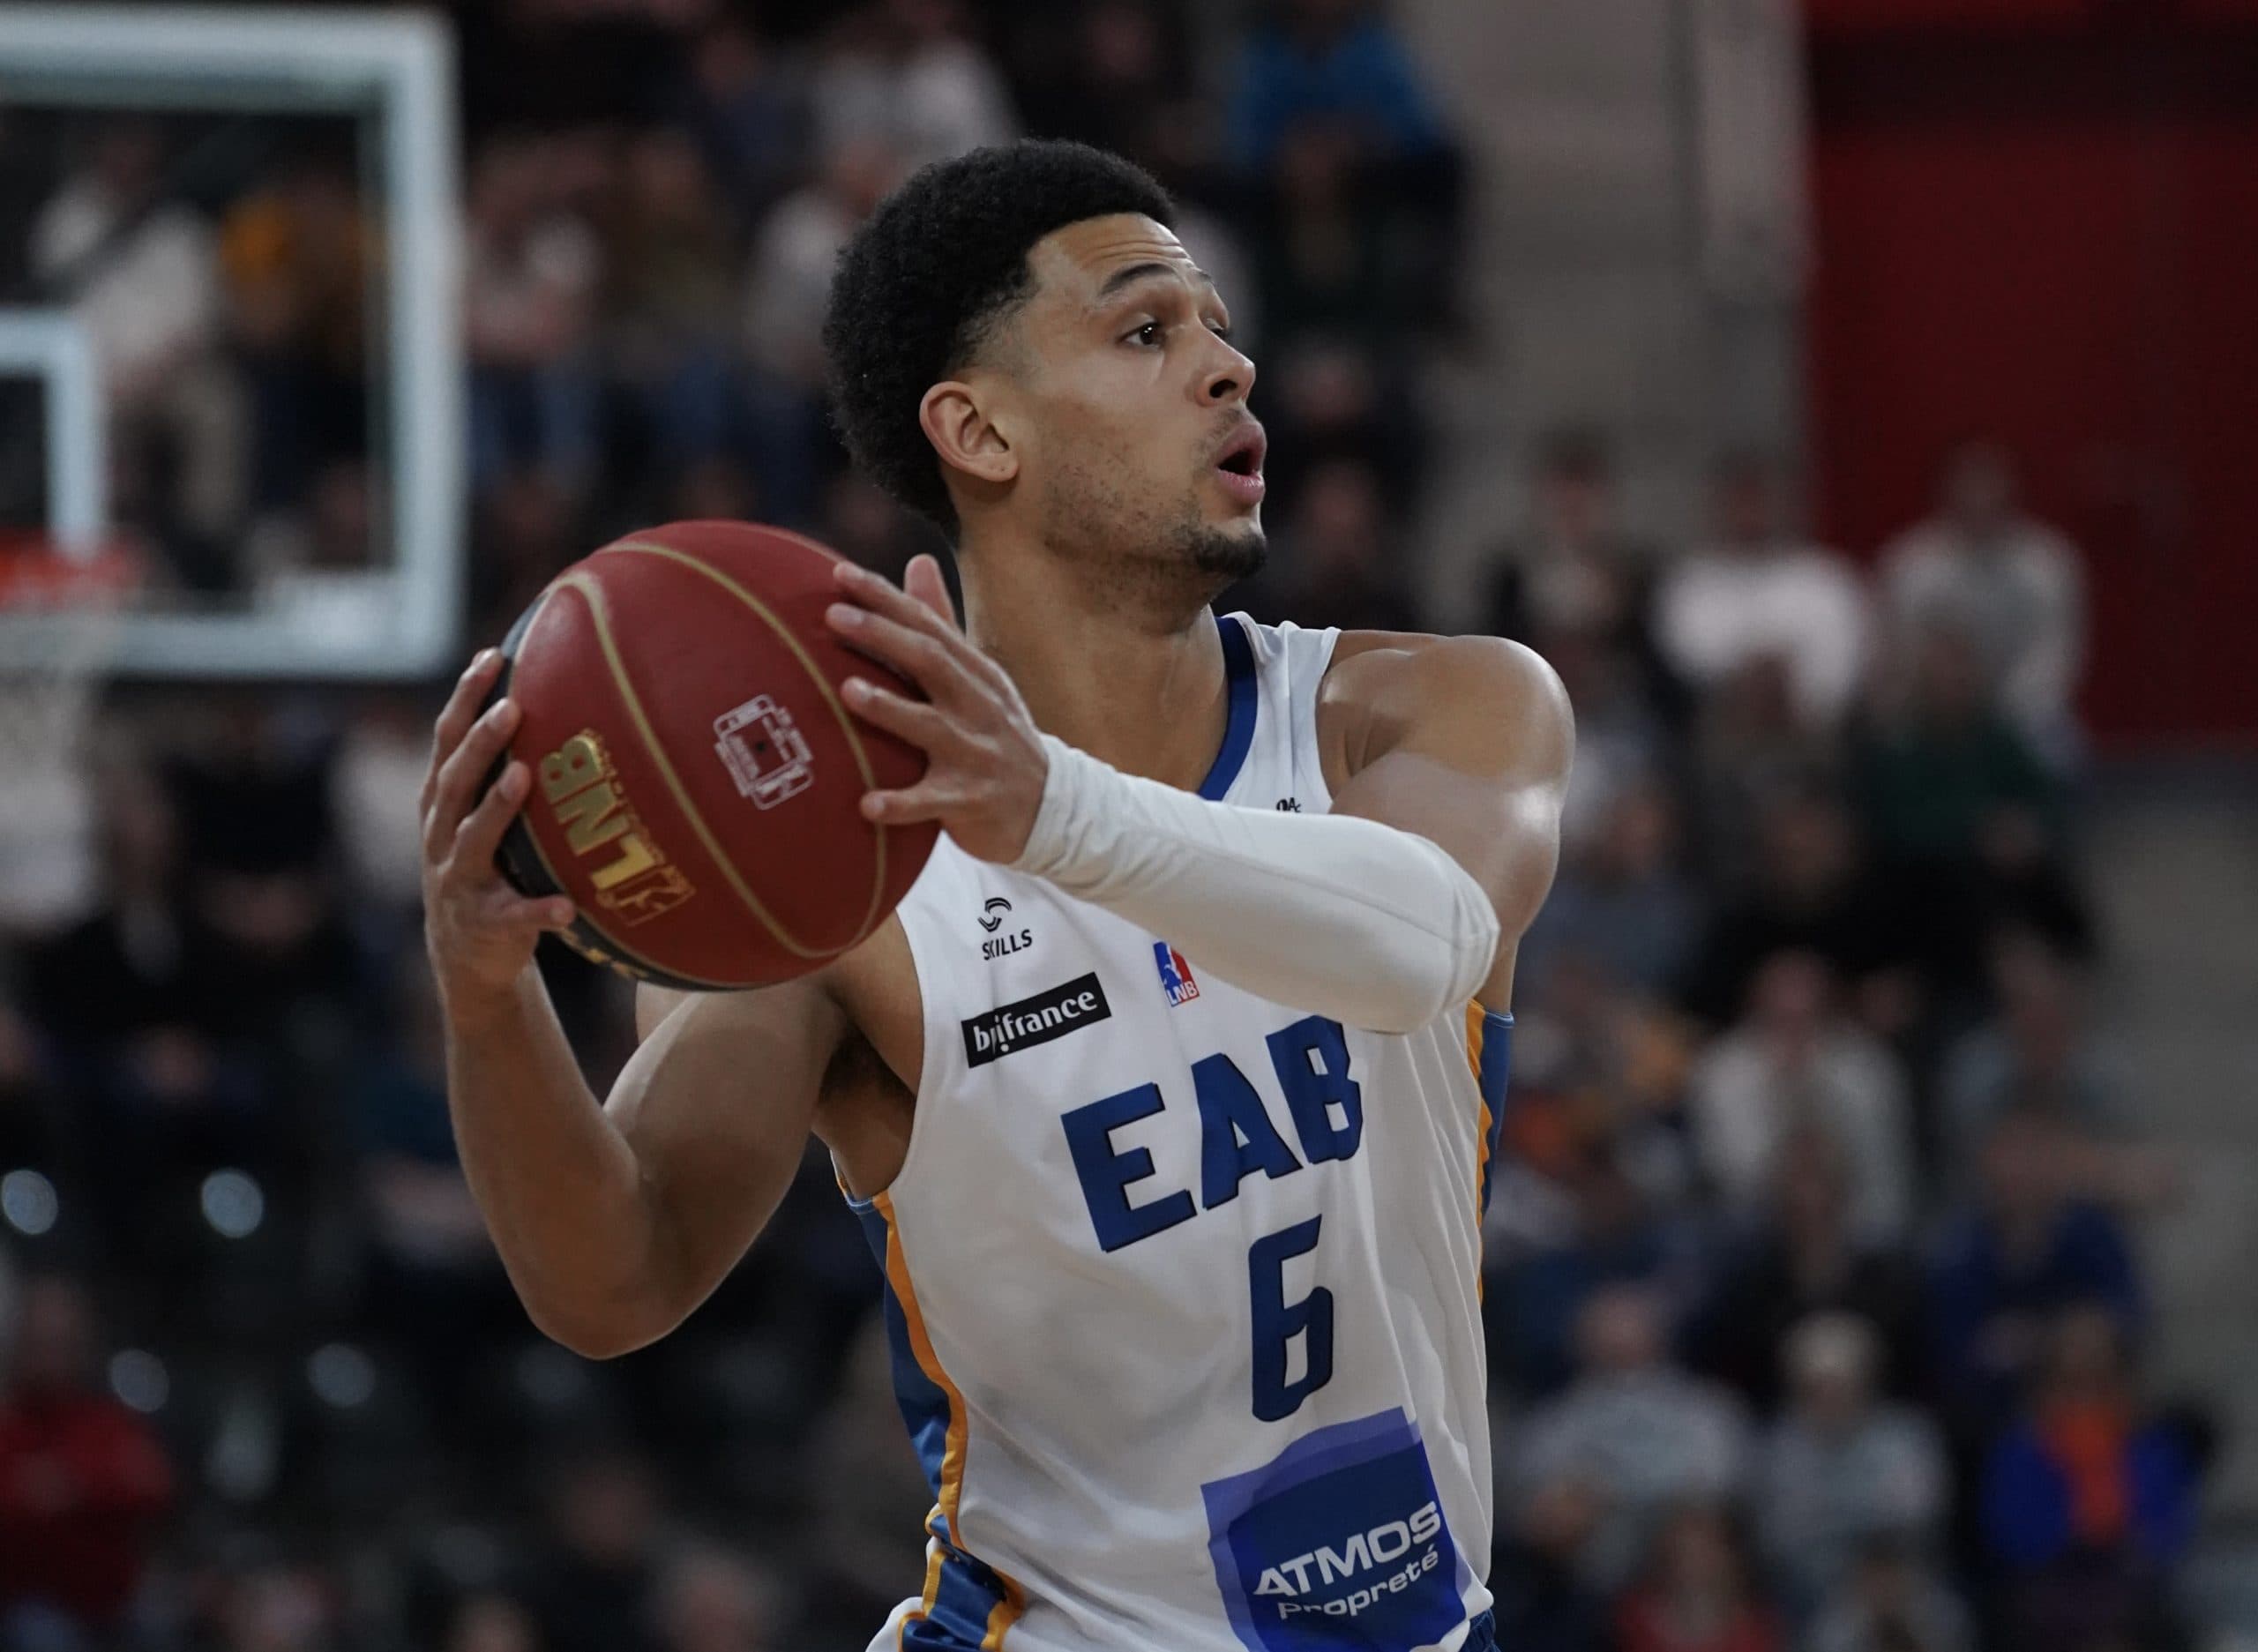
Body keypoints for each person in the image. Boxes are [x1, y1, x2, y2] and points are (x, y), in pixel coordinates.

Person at [420, 140, 1572, 1652]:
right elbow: (614, 1277)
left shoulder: (1433, 711)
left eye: (1221, 327)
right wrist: (487, 996)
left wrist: (1054, 812)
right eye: (1147, 329)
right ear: (978, 430)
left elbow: (1425, 942)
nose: (1227, 368)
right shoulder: (833, 879)